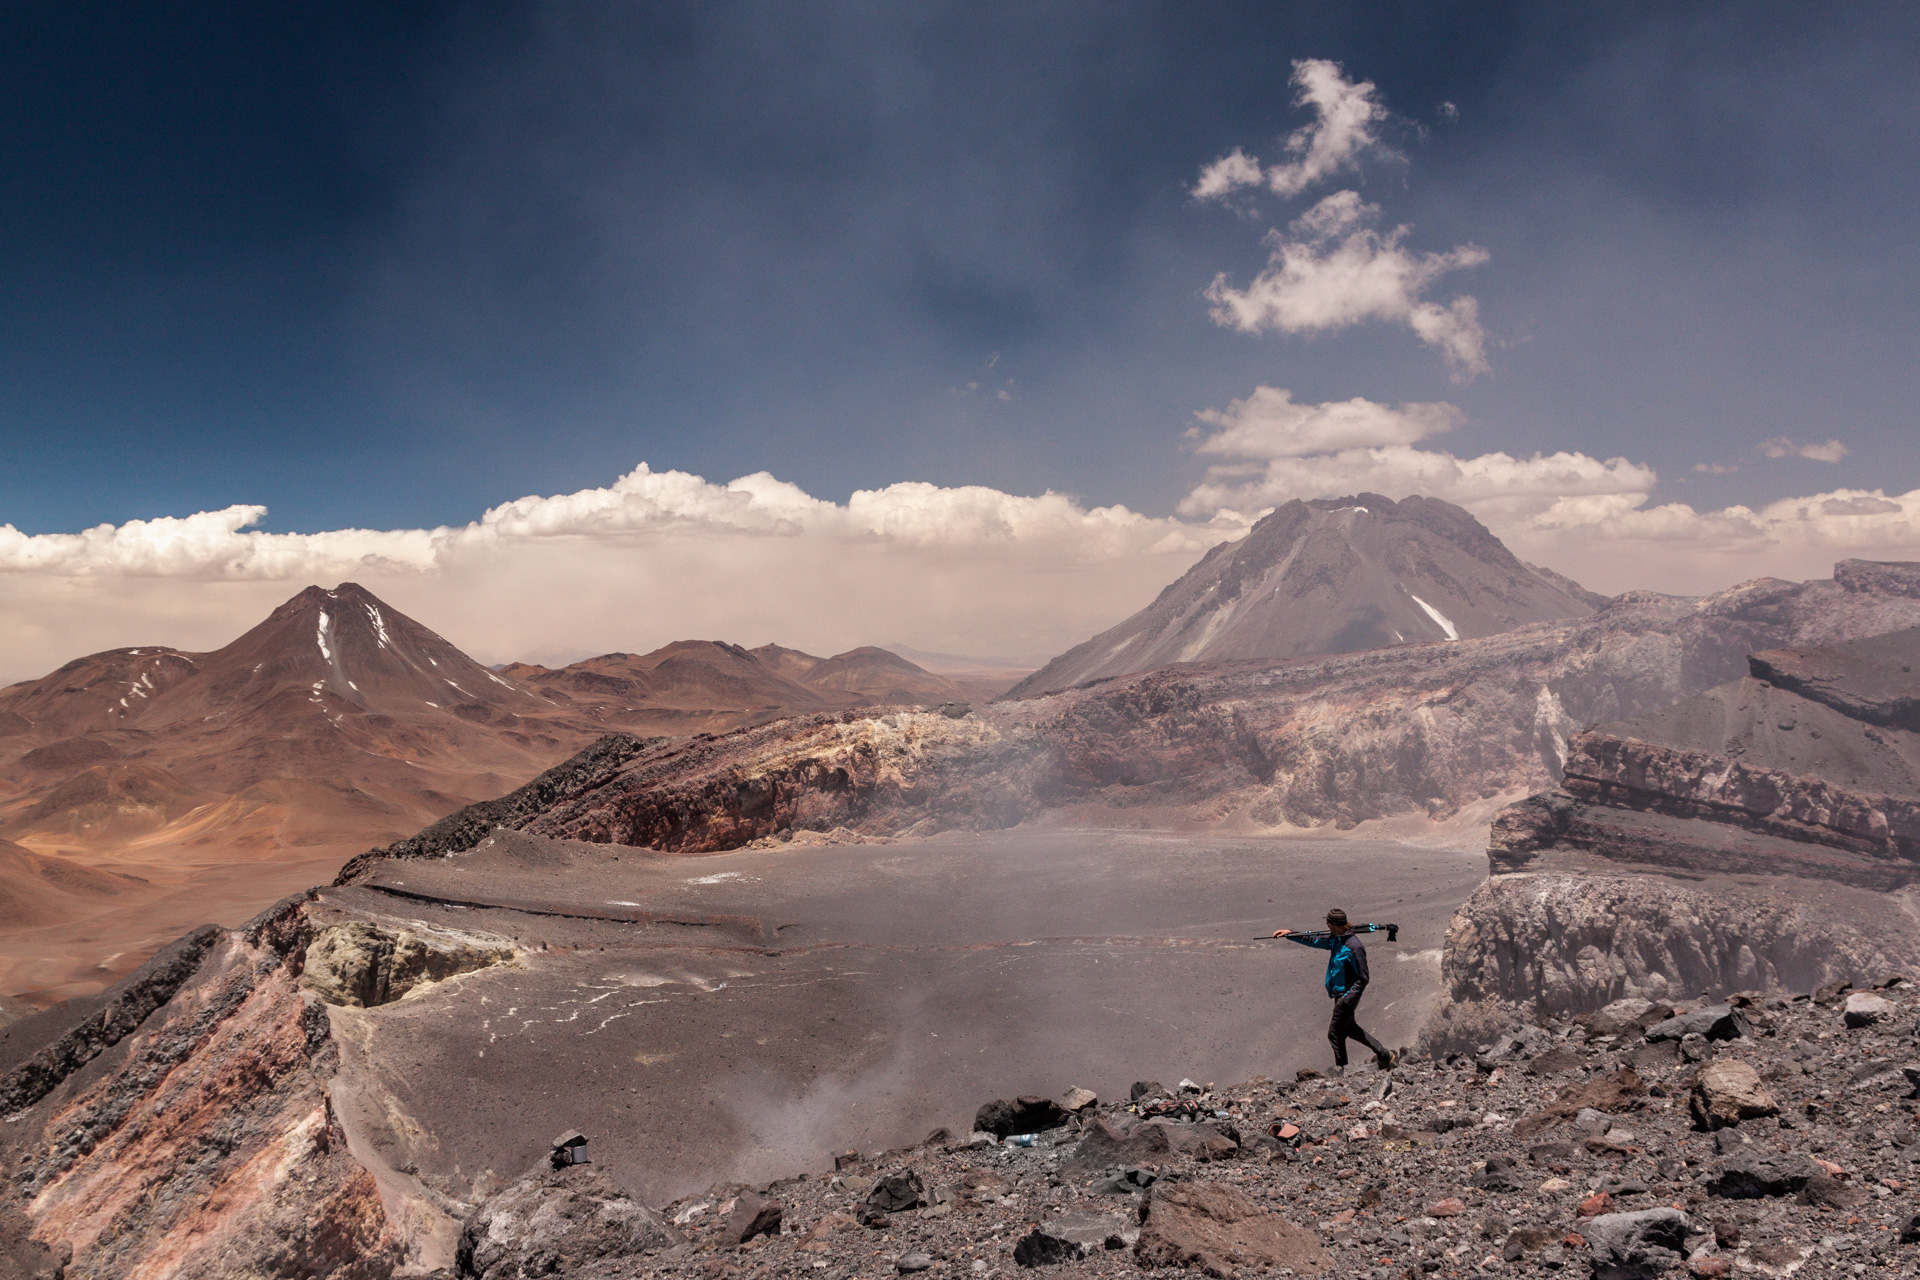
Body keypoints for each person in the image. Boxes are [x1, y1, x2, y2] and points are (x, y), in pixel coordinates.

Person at [1273, 908, 1395, 1075]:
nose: (1327, 927)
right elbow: (1314, 939)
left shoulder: (1354, 946)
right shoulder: (1336, 940)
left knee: (1335, 1035)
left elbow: (1363, 978)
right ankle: (1384, 1055)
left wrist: (1347, 998)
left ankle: (1342, 1072)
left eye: (1328, 924)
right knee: (1349, 1029)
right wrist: (1290, 933)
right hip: (1339, 994)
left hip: (1346, 997)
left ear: (1332, 924)